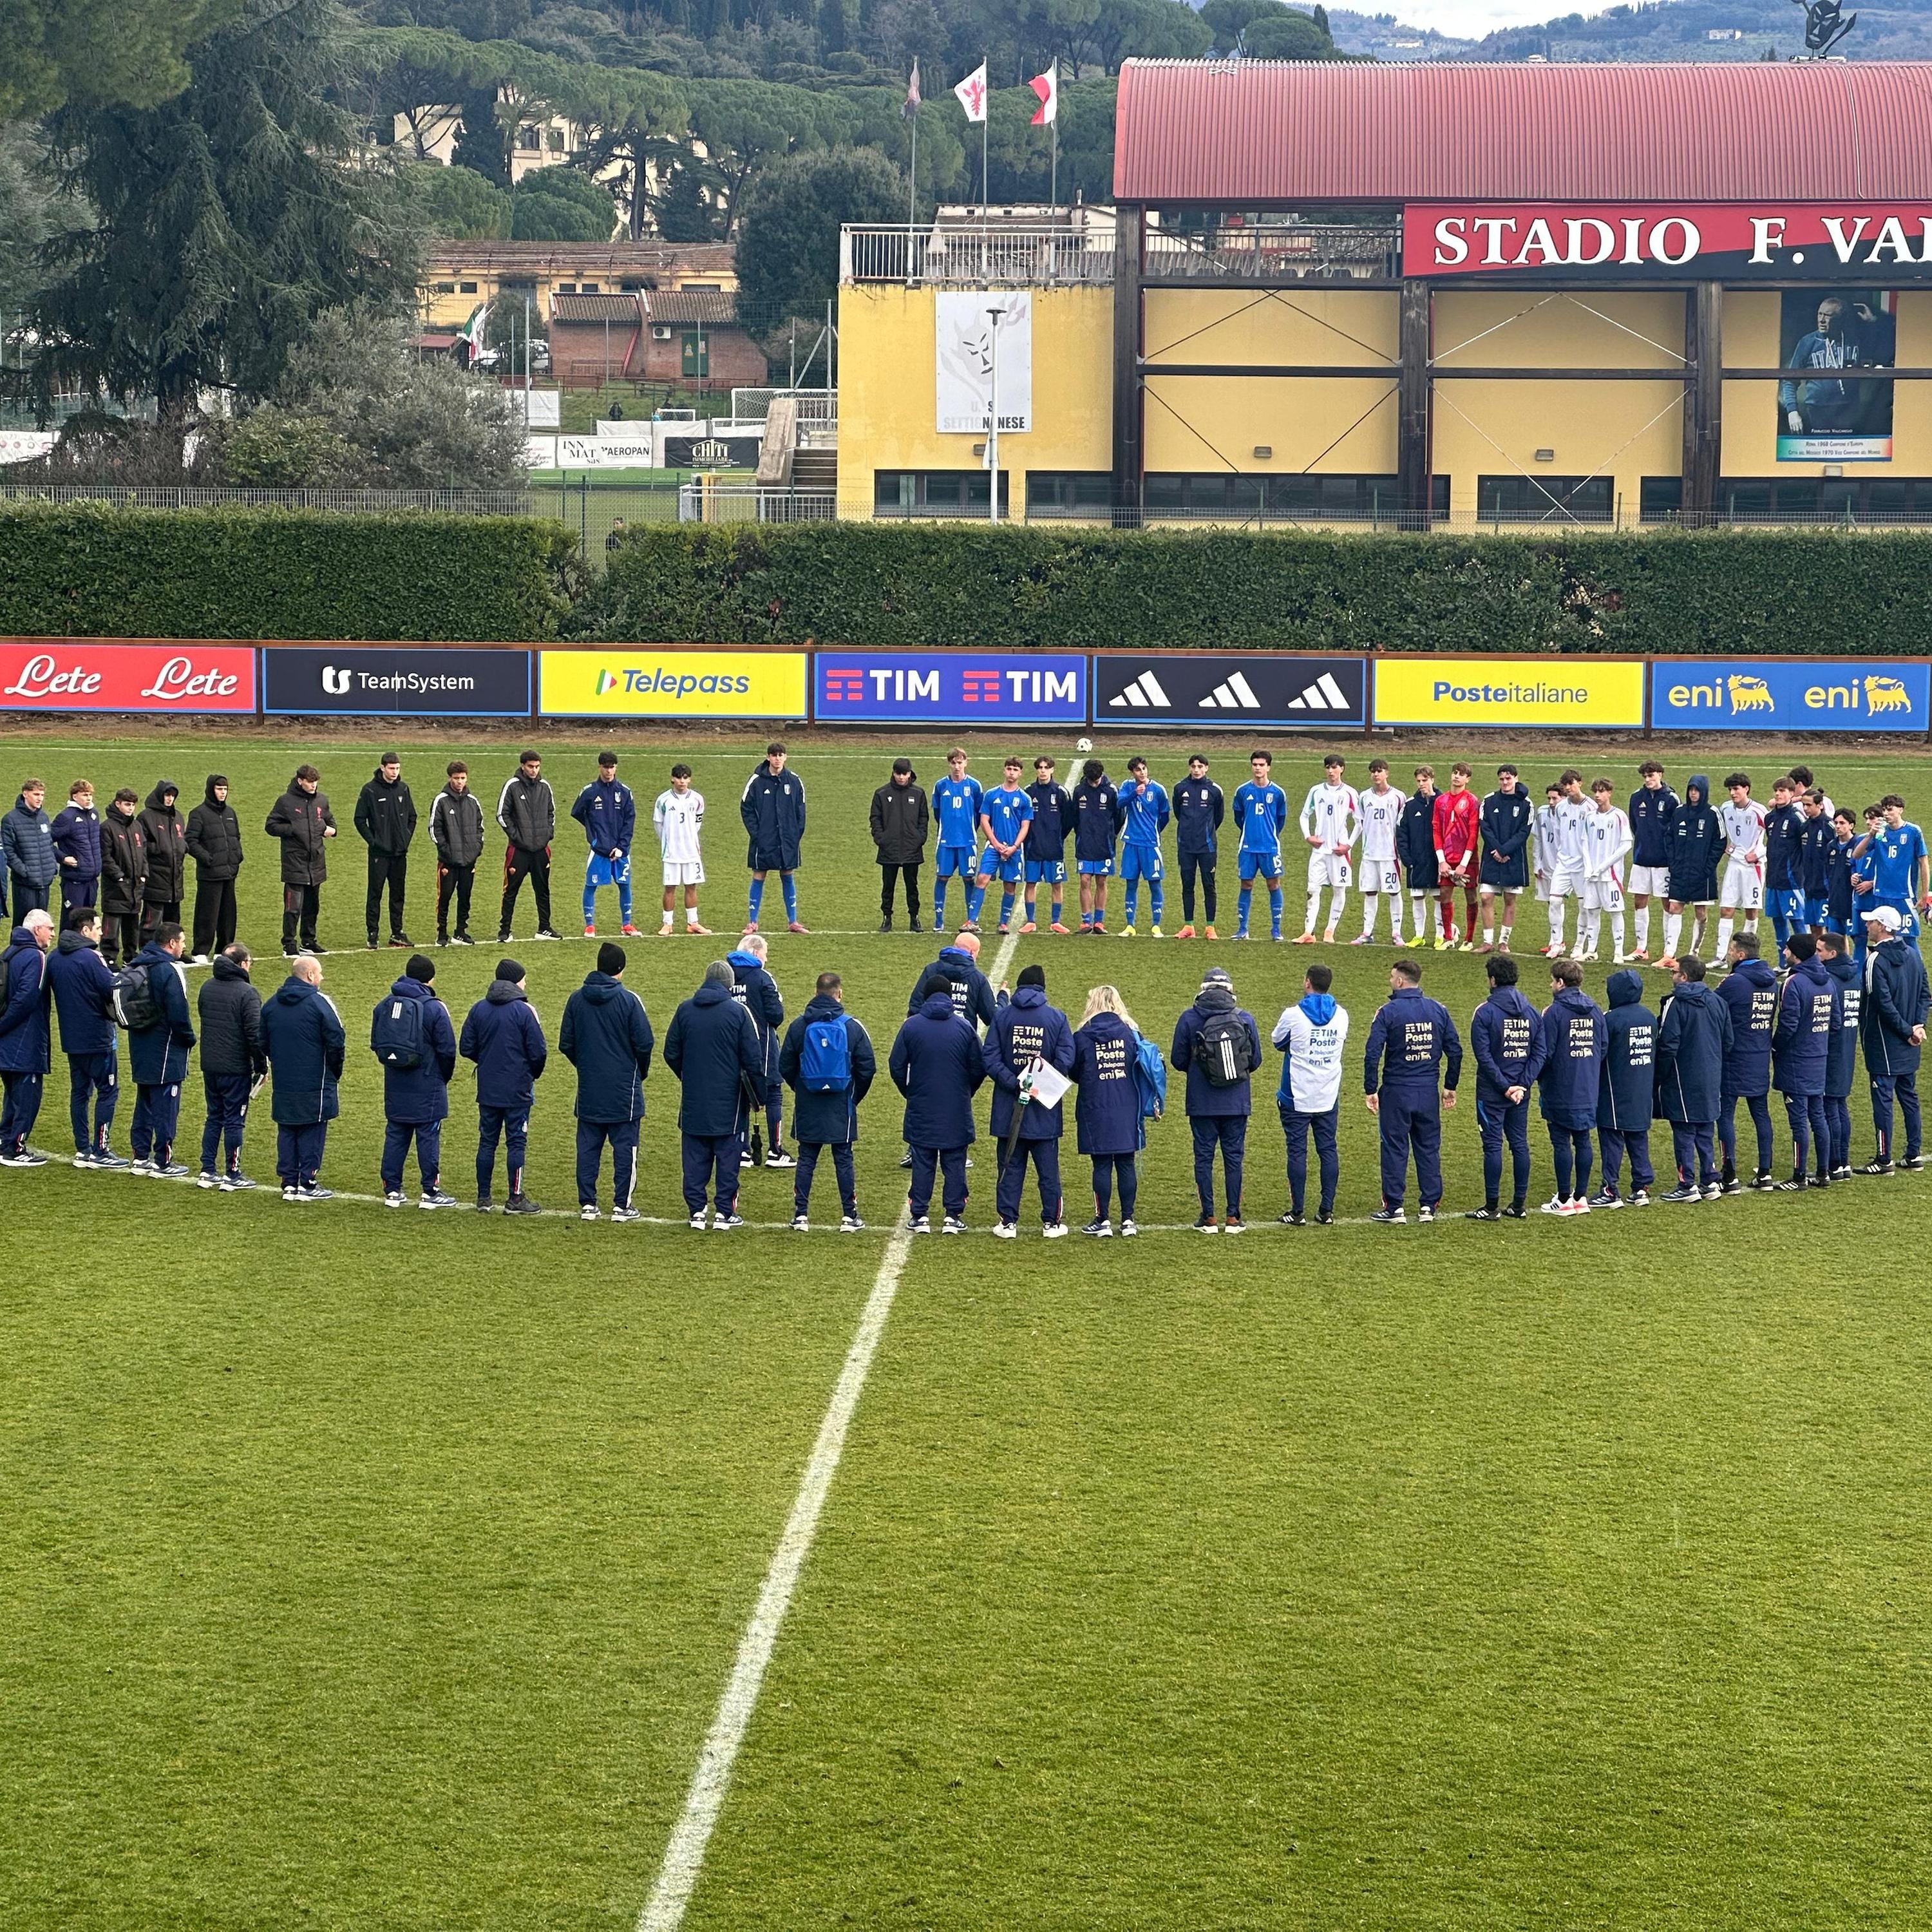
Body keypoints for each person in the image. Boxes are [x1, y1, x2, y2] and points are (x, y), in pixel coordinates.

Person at [664, 960, 765, 1229]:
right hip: (729, 1099)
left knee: (695, 1156)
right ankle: (724, 1212)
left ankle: (697, 1211)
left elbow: (671, 1052)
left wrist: (688, 1076)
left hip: (694, 1097)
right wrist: (759, 1096)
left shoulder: (685, 1010)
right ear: (729, 985)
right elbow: (753, 1059)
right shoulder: (739, 1013)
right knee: (728, 1156)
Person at [559, 942, 655, 1222]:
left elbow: (567, 1043)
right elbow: (645, 1043)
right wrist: (638, 1072)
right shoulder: (628, 1000)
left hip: (589, 1087)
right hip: (624, 1089)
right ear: (620, 969)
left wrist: (586, 1065)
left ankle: (588, 1203)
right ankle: (622, 1205)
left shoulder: (576, 999)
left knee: (588, 1147)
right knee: (626, 1147)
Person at [1363, 957, 1461, 1224]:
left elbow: (1373, 1053)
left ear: (1400, 981)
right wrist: (1449, 1086)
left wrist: (1370, 1089)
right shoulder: (1438, 1010)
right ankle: (1429, 1205)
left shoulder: (1387, 1012)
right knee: (1428, 1148)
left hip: (1396, 1091)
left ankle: (1394, 1207)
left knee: (1394, 1147)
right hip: (1428, 1091)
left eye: (1392, 977)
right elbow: (1455, 1050)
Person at [890, 967, 988, 1234]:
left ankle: (919, 1214)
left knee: (923, 1160)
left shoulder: (911, 1026)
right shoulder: (965, 1027)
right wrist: (966, 1092)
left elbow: (896, 1066)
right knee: (955, 1162)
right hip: (956, 1107)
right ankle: (952, 1216)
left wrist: (910, 1093)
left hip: (922, 1105)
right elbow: (979, 1068)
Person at [779, 971, 876, 1231]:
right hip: (841, 1103)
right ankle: (849, 1215)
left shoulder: (799, 1026)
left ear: (815, 993)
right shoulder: (852, 1026)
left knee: (807, 1158)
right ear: (839, 993)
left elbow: (785, 1064)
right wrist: (854, 1096)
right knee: (843, 1158)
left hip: (808, 1102)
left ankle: (801, 1215)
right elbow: (868, 1068)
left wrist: (800, 1087)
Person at [983, 962, 1075, 1237]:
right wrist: (1040, 1083)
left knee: (1010, 1165)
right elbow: (1066, 1059)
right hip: (1044, 1108)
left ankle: (1008, 1223)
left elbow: (989, 1057)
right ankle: (1052, 1223)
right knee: (1048, 1171)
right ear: (1042, 988)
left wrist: (1016, 1083)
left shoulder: (1002, 1017)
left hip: (1009, 1107)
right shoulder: (1056, 1018)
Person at [1171, 965, 1262, 1233]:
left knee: (1204, 1158)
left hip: (1201, 1102)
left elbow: (1178, 1061)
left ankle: (1208, 1217)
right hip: (1236, 1102)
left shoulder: (1189, 1018)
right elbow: (1255, 1061)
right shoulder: (1245, 1018)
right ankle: (1233, 1217)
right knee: (1234, 1158)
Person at [459, 957, 547, 1214]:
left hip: (488, 1088)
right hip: (518, 1088)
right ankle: (516, 1198)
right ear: (515, 981)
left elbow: (467, 1047)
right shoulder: (524, 1011)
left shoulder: (478, 1009)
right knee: (516, 1142)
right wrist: (532, 1073)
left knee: (487, 1142)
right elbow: (539, 1051)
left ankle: (484, 1198)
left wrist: (486, 1061)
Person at [372, 953, 460, 1211]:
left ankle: (392, 1189)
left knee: (396, 1135)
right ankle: (430, 1191)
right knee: (428, 1137)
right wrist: (443, 1077)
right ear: (429, 979)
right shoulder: (434, 1007)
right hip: (428, 1082)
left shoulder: (386, 1003)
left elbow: (377, 1043)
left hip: (395, 1082)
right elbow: (448, 1050)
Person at [260, 953, 345, 1203]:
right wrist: (334, 1071)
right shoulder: (320, 1003)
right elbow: (337, 1041)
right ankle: (308, 1182)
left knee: (287, 1128)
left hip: (284, 1080)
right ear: (309, 976)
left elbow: (261, 1041)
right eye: (319, 973)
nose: (322, 977)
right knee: (312, 1128)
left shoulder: (272, 1004)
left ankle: (289, 1182)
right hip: (315, 1080)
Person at [1466, 952, 1545, 1221]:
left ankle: (1491, 1207)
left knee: (1492, 1146)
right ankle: (1519, 1204)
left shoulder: (1485, 1012)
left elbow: (1483, 1056)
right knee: (1520, 1144)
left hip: (1492, 1092)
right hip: (1520, 1094)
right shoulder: (1532, 1012)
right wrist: (1521, 1085)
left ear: (1492, 980)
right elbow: (1540, 1053)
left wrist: (1504, 1087)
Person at [1272, 961, 1348, 1226]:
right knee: (1328, 1149)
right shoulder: (1342, 1015)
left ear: (1307, 983)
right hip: (1328, 1094)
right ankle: (1326, 1210)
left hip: (1296, 1094)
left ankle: (1297, 1211)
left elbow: (1278, 1042)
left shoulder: (1293, 1014)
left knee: (1297, 1151)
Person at [49, 907, 123, 1168]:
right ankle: (101, 1150)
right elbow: (111, 990)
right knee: (108, 1091)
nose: (102, 932)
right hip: (98, 1038)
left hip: (71, 1038)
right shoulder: (92, 958)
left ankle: (83, 1149)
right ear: (85, 930)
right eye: (98, 927)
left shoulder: (54, 958)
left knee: (80, 1092)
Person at [1859, 903, 1929, 1175]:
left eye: (1872, 922)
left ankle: (1884, 1158)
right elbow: (1925, 994)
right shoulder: (1913, 954)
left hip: (1885, 1041)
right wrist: (1916, 1027)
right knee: (1909, 1097)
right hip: (1909, 1041)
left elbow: (1882, 1004)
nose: (1867, 926)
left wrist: (1907, 1030)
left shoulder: (1875, 960)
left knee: (1884, 1100)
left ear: (1883, 927)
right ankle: (1913, 1155)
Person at [1072, 985, 1147, 1236]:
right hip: (1127, 1104)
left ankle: (1103, 1220)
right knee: (1126, 1162)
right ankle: (1128, 1220)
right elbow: (1143, 1064)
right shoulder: (1131, 1032)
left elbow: (1073, 1071)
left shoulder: (1083, 1035)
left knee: (1101, 1164)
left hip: (1095, 1105)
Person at [1656, 958, 1730, 1202]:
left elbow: (1668, 1044)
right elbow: (1728, 1041)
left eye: (1675, 972)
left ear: (1685, 977)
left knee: (1684, 1130)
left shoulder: (1676, 1004)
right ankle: (1709, 1180)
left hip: (1682, 1076)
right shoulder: (1719, 1002)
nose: (1672, 976)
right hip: (1711, 1075)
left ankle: (1686, 1184)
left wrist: (1660, 1074)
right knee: (1705, 1129)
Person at [125, 920, 194, 1178]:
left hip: (140, 1044)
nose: (184, 947)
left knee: (144, 1100)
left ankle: (140, 1156)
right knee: (167, 1104)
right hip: (166, 1046)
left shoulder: (137, 964)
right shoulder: (169, 971)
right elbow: (179, 1013)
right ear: (172, 943)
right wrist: (188, 1038)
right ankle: (163, 1161)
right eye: (182, 942)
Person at [194, 941, 266, 1191]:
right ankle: (232, 1174)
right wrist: (262, 1067)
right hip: (235, 1067)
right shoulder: (247, 993)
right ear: (243, 964)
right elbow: (254, 1035)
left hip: (210, 1065)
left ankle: (207, 1170)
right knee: (235, 1120)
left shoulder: (207, 987)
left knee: (214, 1116)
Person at [1537, 958, 1606, 1215]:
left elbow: (1547, 1052)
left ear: (1561, 983)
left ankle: (1564, 1199)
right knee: (1583, 1140)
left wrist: (1537, 1077)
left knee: (1561, 1142)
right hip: (1587, 1086)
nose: (1551, 985)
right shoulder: (1595, 1010)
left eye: (1553, 980)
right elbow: (1603, 1047)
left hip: (1560, 1086)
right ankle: (1581, 1197)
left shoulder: (1554, 1012)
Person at [1773, 931, 1837, 1191]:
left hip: (1796, 1060)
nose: (1784, 953)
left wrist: (1775, 1046)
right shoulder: (1828, 981)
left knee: (1799, 1119)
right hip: (1818, 1058)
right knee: (1818, 1115)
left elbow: (1788, 1025)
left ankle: (1799, 1176)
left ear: (1797, 954)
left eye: (1787, 950)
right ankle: (1823, 1173)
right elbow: (1835, 1022)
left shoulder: (1795, 982)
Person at [1716, 930, 1778, 1191]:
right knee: (1761, 1114)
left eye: (1732, 951)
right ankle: (1765, 1172)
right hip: (1760, 1055)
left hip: (1733, 1057)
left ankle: (1728, 1174)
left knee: (1725, 1115)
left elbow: (1715, 1009)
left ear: (1741, 954)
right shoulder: (1773, 981)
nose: (1730, 954)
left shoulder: (1734, 982)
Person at [1593, 968, 1658, 1209]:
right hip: (1642, 1088)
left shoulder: (1611, 1019)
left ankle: (1610, 1189)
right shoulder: (1649, 1017)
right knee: (1638, 1135)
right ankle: (1641, 1187)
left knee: (1611, 1138)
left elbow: (1600, 1053)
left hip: (1614, 1089)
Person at [726, 931, 788, 1167]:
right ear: (754, 953)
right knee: (773, 1094)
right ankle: (775, 1150)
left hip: (731, 1048)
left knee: (739, 1096)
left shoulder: (726, 974)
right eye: (765, 954)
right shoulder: (762, 978)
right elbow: (776, 1015)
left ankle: (741, 1150)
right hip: (763, 1046)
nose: (766, 959)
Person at [265, 764, 337, 958]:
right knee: (293, 907)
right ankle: (289, 943)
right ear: (300, 781)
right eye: (310, 782)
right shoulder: (285, 802)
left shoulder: (322, 801)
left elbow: (331, 823)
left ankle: (308, 941)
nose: (314, 785)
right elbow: (271, 826)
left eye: (316, 782)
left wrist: (331, 830)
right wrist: (292, 830)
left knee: (312, 906)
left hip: (316, 863)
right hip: (294, 863)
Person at [0, 905, 54, 1164]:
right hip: (25, 1039)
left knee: (12, 1095)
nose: (53, 934)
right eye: (50, 929)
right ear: (36, 930)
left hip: (8, 1042)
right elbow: (26, 998)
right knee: (27, 1098)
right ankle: (16, 1148)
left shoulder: (8, 954)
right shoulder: (36, 957)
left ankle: (5, 1142)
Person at [739, 741, 806, 935]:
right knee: (759, 875)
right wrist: (757, 834)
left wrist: (794, 835)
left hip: (787, 839)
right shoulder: (756, 781)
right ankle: (752, 922)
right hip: (764, 839)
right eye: (774, 755)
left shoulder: (794, 781)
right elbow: (746, 809)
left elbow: (801, 811)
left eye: (781, 755)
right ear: (768, 757)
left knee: (788, 874)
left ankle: (793, 921)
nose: (777, 759)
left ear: (785, 757)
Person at [572, 752, 639, 940]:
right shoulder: (590, 791)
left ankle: (626, 924)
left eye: (612, 767)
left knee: (625, 885)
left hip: (621, 850)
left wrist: (622, 847)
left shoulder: (625, 792)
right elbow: (577, 812)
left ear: (616, 768)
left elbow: (629, 821)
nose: (609, 771)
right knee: (591, 885)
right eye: (605, 767)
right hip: (599, 850)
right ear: (599, 767)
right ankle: (590, 926)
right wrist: (595, 837)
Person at [355, 752, 418, 950]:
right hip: (379, 854)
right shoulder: (370, 791)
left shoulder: (403, 788)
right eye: (391, 768)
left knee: (398, 894)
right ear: (382, 768)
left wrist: (406, 837)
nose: (395, 772)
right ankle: (372, 933)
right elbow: (359, 819)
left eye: (397, 768)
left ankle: (397, 932)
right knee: (375, 893)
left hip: (400, 853)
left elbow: (412, 817)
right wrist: (373, 842)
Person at [497, 751, 559, 943]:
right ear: (523, 766)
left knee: (543, 889)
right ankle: (505, 930)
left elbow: (552, 813)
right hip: (519, 850)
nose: (534, 770)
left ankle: (544, 928)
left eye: (537, 766)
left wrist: (547, 835)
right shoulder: (512, 786)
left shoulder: (545, 787)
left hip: (541, 850)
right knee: (511, 890)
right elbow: (501, 814)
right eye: (531, 766)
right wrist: (517, 837)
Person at [1660, 774, 1719, 972]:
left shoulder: (1712, 813)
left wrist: (1707, 866)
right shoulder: (1679, 812)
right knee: (1675, 908)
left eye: (1697, 790)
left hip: (1702, 874)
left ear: (1703, 792)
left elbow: (1720, 842)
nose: (1694, 794)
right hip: (1680, 871)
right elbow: (1669, 838)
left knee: (1701, 913)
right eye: (1691, 790)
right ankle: (1669, 954)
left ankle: (1694, 952)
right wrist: (1673, 861)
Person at [1297, 755, 1358, 946]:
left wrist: (1348, 845)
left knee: (1339, 890)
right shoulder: (1316, 791)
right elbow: (1304, 816)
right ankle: (1309, 932)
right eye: (1328, 768)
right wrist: (1309, 836)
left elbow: (1359, 821)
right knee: (1312, 889)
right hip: (1319, 851)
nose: (1331, 771)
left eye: (1335, 767)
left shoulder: (1349, 793)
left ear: (1342, 769)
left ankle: (1330, 930)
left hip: (1339, 852)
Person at [185, 775, 243, 964]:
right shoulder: (198, 814)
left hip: (229, 872)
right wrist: (207, 859)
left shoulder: (230, 813)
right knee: (207, 913)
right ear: (211, 790)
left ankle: (224, 949)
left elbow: (236, 837)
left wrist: (237, 857)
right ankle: (201, 950)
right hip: (209, 874)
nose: (222, 793)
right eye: (219, 789)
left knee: (228, 914)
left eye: (225, 789)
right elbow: (191, 841)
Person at [1231, 750, 1288, 943]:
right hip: (1247, 847)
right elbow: (1239, 817)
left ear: (1268, 767)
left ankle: (1276, 930)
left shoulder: (1278, 793)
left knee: (1273, 884)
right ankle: (1242, 929)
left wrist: (1268, 834)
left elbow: (1280, 820)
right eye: (1255, 764)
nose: (1258, 768)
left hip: (1270, 847)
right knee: (1246, 884)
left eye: (1261, 765)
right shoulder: (1243, 791)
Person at [976, 757, 1036, 936]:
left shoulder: (1024, 799)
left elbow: (1025, 826)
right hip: (993, 847)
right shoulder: (992, 794)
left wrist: (1014, 847)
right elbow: (984, 820)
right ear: (1004, 771)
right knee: (982, 879)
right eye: (1009, 769)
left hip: (1014, 850)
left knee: (1010, 886)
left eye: (1015, 770)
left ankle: (1003, 923)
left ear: (1020, 773)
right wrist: (995, 843)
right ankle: (972, 920)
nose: (1011, 772)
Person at [1819, 927, 1862, 1179]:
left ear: (1832, 954)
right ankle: (1843, 1161)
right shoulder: (1853, 976)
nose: (1817, 955)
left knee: (1830, 1106)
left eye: (1820, 951)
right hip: (1848, 1047)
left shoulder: (1829, 981)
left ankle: (1835, 1162)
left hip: (1829, 1050)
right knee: (1840, 1104)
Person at [1625, 762, 1679, 962]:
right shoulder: (1636, 798)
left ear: (1661, 775)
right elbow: (1634, 824)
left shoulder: (1671, 798)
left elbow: (1674, 828)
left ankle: (1668, 952)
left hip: (1663, 861)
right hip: (1641, 859)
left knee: (1668, 904)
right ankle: (1641, 948)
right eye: (1645, 776)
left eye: (1651, 776)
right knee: (1639, 901)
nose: (1648, 780)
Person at [1577, 778, 1634, 964]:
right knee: (1592, 911)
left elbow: (1626, 845)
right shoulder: (1590, 817)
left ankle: (1618, 951)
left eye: (1602, 792)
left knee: (1615, 912)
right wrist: (1589, 866)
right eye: (1595, 792)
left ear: (1610, 793)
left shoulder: (1619, 816)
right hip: (1592, 875)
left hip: (1611, 876)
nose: (1597, 795)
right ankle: (1592, 949)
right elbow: (1584, 842)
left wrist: (1604, 866)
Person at [869, 758, 927, 934]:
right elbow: (875, 818)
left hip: (912, 849)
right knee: (888, 886)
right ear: (893, 773)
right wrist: (881, 839)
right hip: (889, 849)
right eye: (898, 774)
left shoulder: (918, 794)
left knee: (912, 885)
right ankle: (887, 918)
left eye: (905, 774)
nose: (901, 778)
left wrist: (920, 838)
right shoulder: (881, 793)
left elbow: (923, 818)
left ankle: (914, 918)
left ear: (910, 774)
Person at [1714, 772, 1766, 962]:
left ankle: (1746, 954)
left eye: (1736, 789)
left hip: (1753, 867)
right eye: (1730, 789)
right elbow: (1718, 832)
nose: (1732, 793)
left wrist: (1758, 853)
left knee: (1751, 910)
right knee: (1726, 909)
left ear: (1746, 789)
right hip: (1734, 864)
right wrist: (1724, 846)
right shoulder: (1726, 809)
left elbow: (1777, 839)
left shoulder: (1759, 812)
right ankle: (1720, 956)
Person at [429, 762, 484, 947]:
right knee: (444, 897)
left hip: (468, 861)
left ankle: (461, 931)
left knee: (465, 897)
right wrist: (446, 851)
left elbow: (480, 828)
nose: (460, 782)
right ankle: (441, 933)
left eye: (463, 778)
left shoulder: (473, 802)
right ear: (449, 778)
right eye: (456, 778)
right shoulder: (441, 801)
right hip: (448, 861)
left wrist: (476, 849)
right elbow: (434, 829)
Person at [1862, 794, 1932, 936]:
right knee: (1880, 938)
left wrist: (1925, 894)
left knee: (1908, 939)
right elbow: (1858, 854)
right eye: (1884, 810)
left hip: (1903, 895)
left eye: (1890, 810)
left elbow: (1924, 863)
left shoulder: (1913, 832)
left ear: (1901, 810)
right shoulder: (1880, 831)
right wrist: (1871, 834)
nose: (1886, 814)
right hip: (1880, 894)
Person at [1172, 755, 1224, 940]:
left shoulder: (1215, 790)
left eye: (1200, 766)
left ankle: (1210, 927)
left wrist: (1206, 832)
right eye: (1193, 766)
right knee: (1188, 885)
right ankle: (1189, 926)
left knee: (1209, 886)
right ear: (1189, 768)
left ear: (1206, 768)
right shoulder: (1180, 788)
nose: (1196, 770)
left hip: (1207, 847)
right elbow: (1178, 813)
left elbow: (1219, 817)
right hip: (1186, 846)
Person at [654, 763, 710, 936]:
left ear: (690, 780)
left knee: (691, 886)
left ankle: (693, 923)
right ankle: (667, 923)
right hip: (671, 852)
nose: (682, 781)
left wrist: (689, 838)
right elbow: (658, 824)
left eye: (685, 778)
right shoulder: (663, 800)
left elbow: (697, 822)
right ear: (672, 779)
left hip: (691, 851)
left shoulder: (697, 799)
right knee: (670, 887)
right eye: (679, 778)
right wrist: (669, 841)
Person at [931, 748, 982, 934]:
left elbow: (979, 813)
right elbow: (937, 813)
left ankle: (972, 920)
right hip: (945, 842)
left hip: (968, 842)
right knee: (942, 878)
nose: (957, 767)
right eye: (953, 763)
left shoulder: (975, 786)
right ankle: (938, 921)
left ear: (966, 763)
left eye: (960, 763)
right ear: (949, 764)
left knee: (969, 879)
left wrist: (968, 829)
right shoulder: (940, 786)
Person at [1431, 762, 1480, 951]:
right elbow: (1436, 831)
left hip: (1467, 859)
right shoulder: (1440, 801)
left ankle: (1469, 939)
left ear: (1468, 779)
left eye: (1461, 774)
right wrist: (1441, 861)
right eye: (1455, 773)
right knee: (1444, 895)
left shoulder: (1472, 801)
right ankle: (1448, 937)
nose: (1456, 777)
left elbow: (1473, 834)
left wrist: (1463, 864)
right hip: (1447, 858)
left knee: (1470, 895)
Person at [1072, 757, 1124, 935]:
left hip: (1105, 844)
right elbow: (1074, 817)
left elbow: (1119, 816)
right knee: (1084, 879)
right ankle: (1086, 922)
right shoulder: (1079, 791)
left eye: (1096, 780)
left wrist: (1110, 833)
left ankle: (1099, 922)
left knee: (1101, 880)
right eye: (1090, 780)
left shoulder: (1111, 791)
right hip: (1085, 843)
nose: (1093, 783)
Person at [99, 788, 147, 969]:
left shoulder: (136, 827)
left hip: (135, 884)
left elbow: (143, 853)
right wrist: (118, 877)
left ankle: (130, 955)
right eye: (127, 804)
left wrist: (144, 875)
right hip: (115, 886)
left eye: (133, 805)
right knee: (112, 922)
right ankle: (109, 957)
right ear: (117, 804)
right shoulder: (107, 827)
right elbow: (106, 857)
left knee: (132, 923)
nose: (131, 808)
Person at [1542, 770, 1589, 958]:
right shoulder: (1561, 808)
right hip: (1563, 862)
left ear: (1580, 783)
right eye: (1566, 785)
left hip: (1583, 864)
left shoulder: (1591, 807)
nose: (1568, 788)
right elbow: (1559, 835)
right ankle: (1556, 943)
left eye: (1572, 784)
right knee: (1554, 901)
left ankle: (1579, 945)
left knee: (1584, 906)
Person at [1023, 756, 1072, 935]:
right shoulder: (1028, 792)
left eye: (1046, 767)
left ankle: (1056, 922)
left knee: (1056, 884)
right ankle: (1030, 921)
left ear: (1052, 770)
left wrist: (1057, 836)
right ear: (1036, 770)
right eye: (1040, 768)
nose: (1043, 771)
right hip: (1033, 848)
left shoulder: (1061, 792)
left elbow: (1069, 820)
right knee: (1030, 883)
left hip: (1054, 848)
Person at [138, 781, 187, 947]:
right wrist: (160, 848)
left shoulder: (178, 816)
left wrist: (182, 849)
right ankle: (147, 951)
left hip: (175, 879)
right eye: (167, 795)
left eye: (173, 796)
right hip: (156, 879)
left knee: (173, 921)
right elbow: (141, 846)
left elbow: (181, 841)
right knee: (151, 922)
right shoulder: (146, 817)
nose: (170, 799)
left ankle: (173, 951)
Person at [1761, 774, 1806, 952]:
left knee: (1798, 922)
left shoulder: (1797, 819)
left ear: (1791, 794)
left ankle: (1805, 961)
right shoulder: (1770, 818)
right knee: (1778, 921)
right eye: (1776, 791)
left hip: (1791, 881)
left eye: (1782, 791)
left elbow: (1804, 848)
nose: (1778, 794)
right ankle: (1783, 962)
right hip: (1773, 880)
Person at [1397, 766, 1441, 947]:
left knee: (1439, 897)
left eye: (1425, 780)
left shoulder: (1443, 802)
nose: (1421, 784)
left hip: (1438, 861)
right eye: (1419, 781)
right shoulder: (1410, 805)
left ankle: (1441, 935)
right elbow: (1401, 832)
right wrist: (1407, 858)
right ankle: (1419, 935)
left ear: (1432, 779)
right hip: (1417, 862)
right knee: (1418, 897)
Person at [3, 779, 55, 917]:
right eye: (36, 794)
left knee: (41, 925)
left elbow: (48, 844)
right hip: (25, 884)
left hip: (45, 882)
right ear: (25, 794)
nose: (40, 799)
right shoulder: (11, 819)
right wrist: (24, 871)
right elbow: (8, 850)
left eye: (42, 795)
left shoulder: (43, 817)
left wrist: (52, 868)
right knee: (24, 925)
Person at [51, 781, 102, 920]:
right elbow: (45, 840)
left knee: (88, 922)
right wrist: (62, 858)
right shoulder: (66, 817)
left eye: (90, 795)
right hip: (74, 881)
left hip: (92, 880)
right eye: (85, 795)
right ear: (75, 796)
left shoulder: (94, 814)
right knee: (72, 920)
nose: (89, 798)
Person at [1797, 789, 1835, 938]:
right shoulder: (1805, 827)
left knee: (1829, 931)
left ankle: (1835, 961)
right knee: (1814, 928)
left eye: (1809, 805)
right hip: (1809, 886)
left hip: (1825, 888)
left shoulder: (1829, 827)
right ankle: (1817, 961)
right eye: (1803, 805)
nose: (1805, 808)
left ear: (1820, 805)